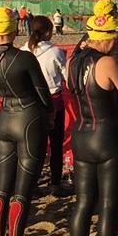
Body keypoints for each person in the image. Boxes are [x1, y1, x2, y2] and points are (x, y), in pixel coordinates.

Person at [66, 11, 118, 236]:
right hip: (107, 135)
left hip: (81, 134)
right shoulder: (107, 62)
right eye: (115, 37)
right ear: (106, 39)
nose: (117, 42)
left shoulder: (72, 61)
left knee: (83, 202)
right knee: (108, 202)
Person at [0, 6, 53, 236]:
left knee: (1, 185)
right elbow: (44, 94)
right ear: (14, 28)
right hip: (28, 117)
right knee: (22, 188)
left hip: (4, 117)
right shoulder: (24, 58)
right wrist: (50, 114)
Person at [28, 15, 68, 196]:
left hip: (32, 103)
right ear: (48, 31)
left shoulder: (25, 50)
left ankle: (33, 184)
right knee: (56, 144)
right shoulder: (56, 52)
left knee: (35, 146)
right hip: (53, 100)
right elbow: (67, 77)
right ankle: (55, 183)